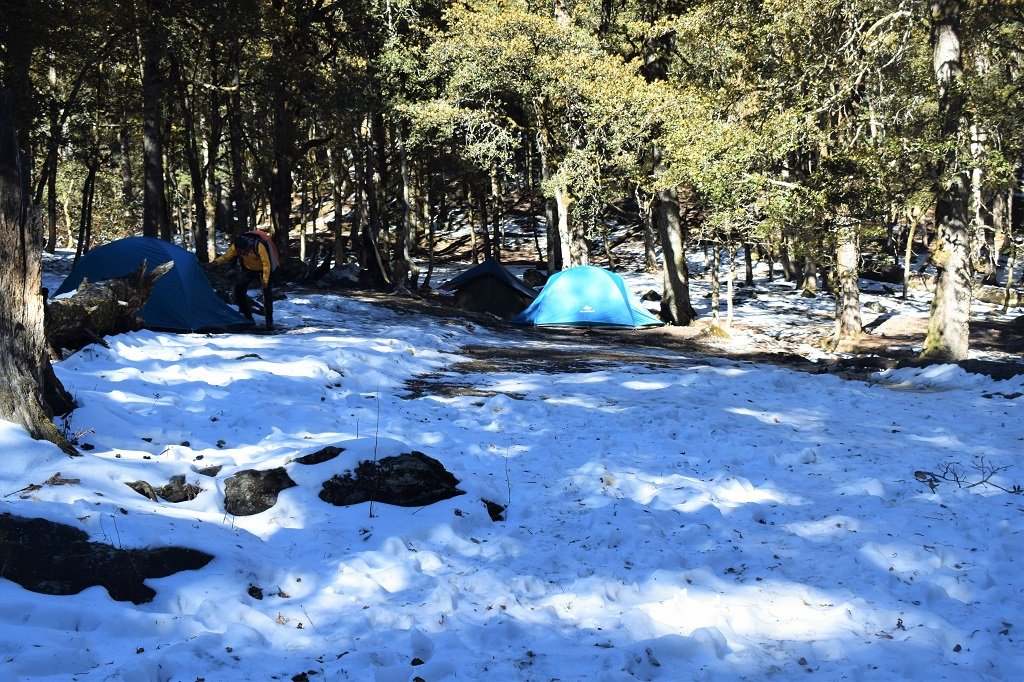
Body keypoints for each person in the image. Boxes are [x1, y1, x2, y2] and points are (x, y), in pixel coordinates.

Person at [205, 232, 276, 330]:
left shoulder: (258, 246)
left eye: (242, 250)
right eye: (239, 250)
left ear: (246, 247)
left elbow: (266, 264)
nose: (240, 252)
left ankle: (269, 322)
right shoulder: (236, 246)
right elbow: (227, 256)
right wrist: (215, 263)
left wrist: (265, 281)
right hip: (248, 269)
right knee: (238, 291)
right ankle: (248, 317)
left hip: (263, 270)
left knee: (267, 294)